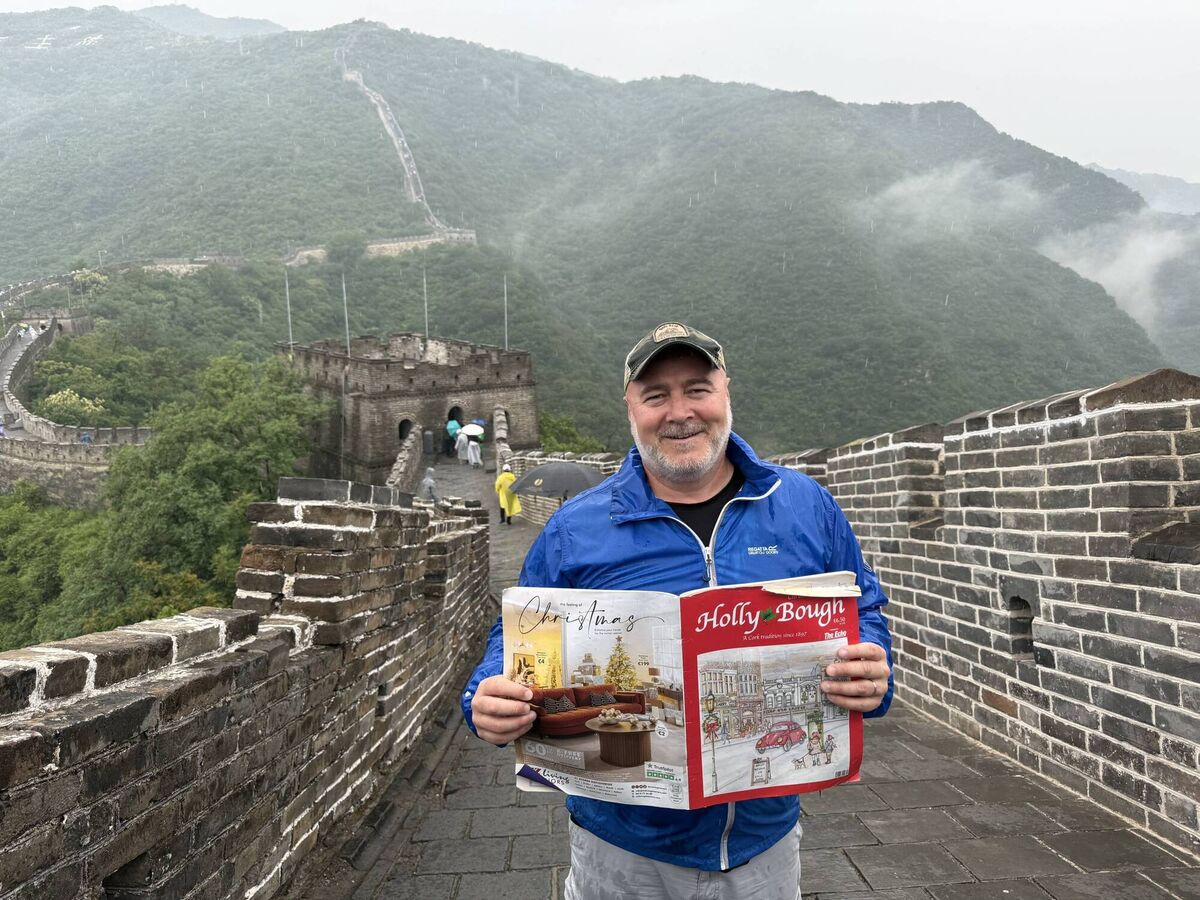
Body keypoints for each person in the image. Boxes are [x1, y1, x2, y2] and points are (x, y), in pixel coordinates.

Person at [462, 322, 893, 900]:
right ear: (631, 409)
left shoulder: (803, 505)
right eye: (656, 395)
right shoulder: (575, 529)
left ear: (726, 393)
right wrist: (486, 694)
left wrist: (872, 667)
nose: (680, 412)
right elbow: (514, 634)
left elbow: (863, 607)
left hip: (762, 845)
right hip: (622, 848)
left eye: (697, 388)